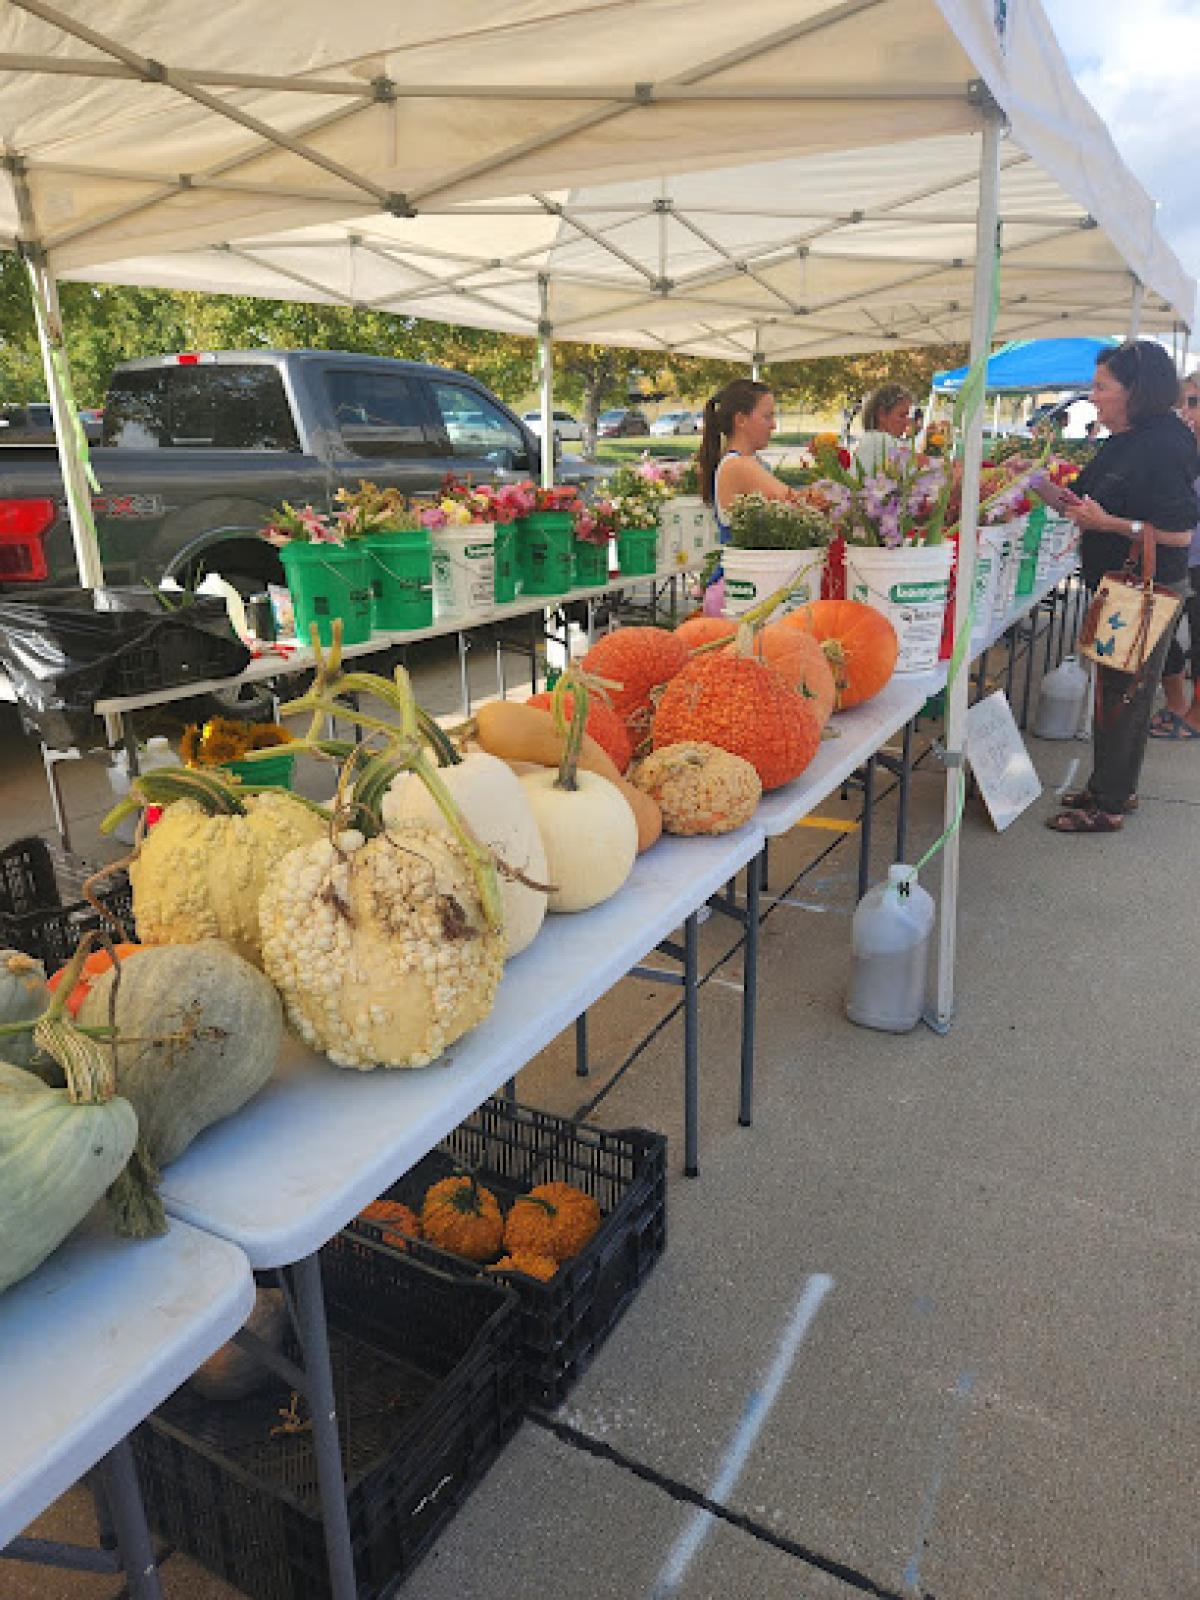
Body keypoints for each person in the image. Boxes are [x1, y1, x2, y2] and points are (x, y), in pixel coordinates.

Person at [1046, 341, 1199, 834]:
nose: (1092, 396)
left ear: (1135, 390)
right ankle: (1109, 788)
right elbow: (1085, 500)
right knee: (1114, 689)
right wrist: (1037, 484)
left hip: (1144, 588)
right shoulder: (1125, 439)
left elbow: (1179, 533)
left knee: (1125, 696)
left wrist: (1109, 524)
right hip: (1120, 586)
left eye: (1101, 387)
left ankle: (1109, 804)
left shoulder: (1166, 444)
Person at [1149, 372, 1200, 740]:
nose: (1186, 411)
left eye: (1194, 402)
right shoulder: (1182, 448)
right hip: (1176, 556)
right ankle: (1177, 704)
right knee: (1159, 635)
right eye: (1182, 403)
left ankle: (1195, 717)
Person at [698, 379, 801, 537]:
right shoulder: (738, 465)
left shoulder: (747, 462)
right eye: (767, 417)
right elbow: (799, 504)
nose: (773, 425)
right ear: (741, 420)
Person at [854, 384, 913, 475]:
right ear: (882, 414)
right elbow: (920, 462)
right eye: (902, 416)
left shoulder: (870, 438)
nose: (907, 422)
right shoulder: (880, 439)